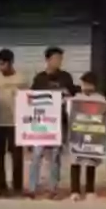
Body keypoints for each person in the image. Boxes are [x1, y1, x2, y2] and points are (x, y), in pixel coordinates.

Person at [28, 46, 75, 199]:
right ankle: (32, 187)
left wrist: (68, 95)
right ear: (48, 60)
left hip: (58, 122)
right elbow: (31, 99)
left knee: (55, 156)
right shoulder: (39, 78)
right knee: (37, 155)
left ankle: (52, 188)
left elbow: (73, 97)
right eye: (55, 59)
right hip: (41, 123)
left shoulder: (66, 77)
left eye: (60, 59)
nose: (58, 62)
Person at [0, 49, 27, 197]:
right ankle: (1, 187)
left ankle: (17, 187)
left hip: (16, 124)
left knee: (17, 157)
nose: (0, 67)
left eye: (3, 64)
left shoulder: (22, 79)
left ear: (10, 63)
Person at [64, 73, 105, 201]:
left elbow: (105, 114)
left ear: (93, 85)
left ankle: (90, 190)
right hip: (77, 134)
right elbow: (68, 112)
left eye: (87, 84)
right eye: (83, 84)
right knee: (75, 161)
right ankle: (75, 190)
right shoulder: (76, 98)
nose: (84, 86)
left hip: (93, 135)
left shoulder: (100, 99)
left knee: (91, 162)